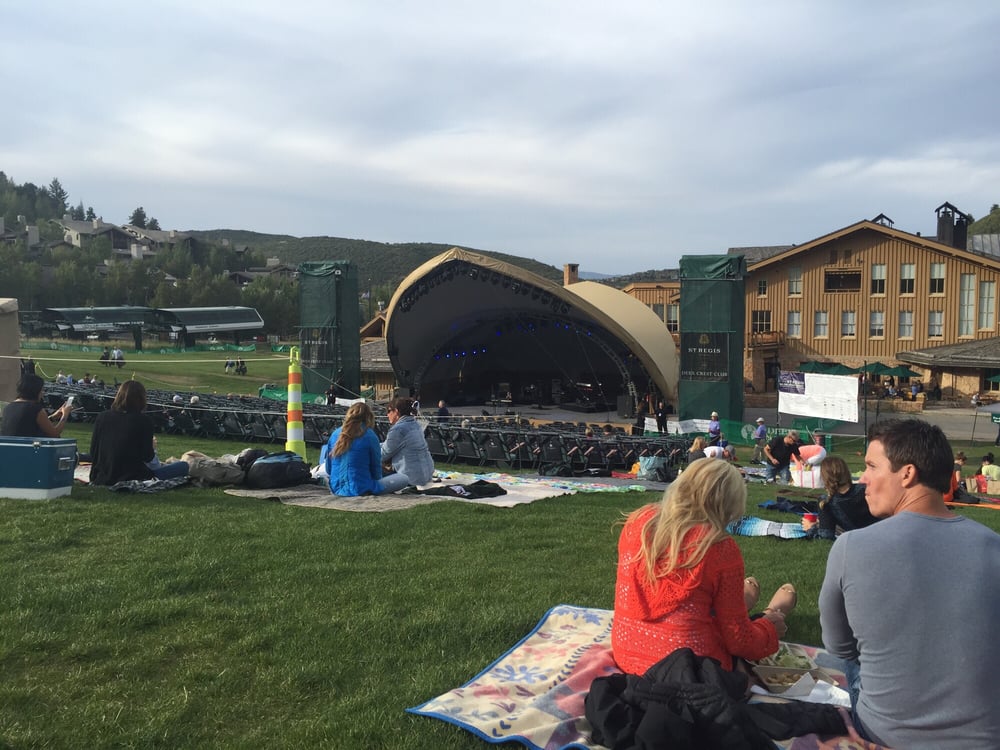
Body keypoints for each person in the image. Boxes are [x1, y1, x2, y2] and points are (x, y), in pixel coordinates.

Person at [819, 418, 1000, 748]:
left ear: (907, 473)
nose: (863, 479)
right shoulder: (994, 547)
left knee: (840, 660)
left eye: (872, 466)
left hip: (885, 735)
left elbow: (840, 648)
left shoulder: (851, 547)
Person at [611, 459, 796, 675]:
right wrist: (768, 630)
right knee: (762, 618)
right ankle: (770, 613)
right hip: (693, 669)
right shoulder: (719, 548)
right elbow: (739, 641)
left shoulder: (638, 523)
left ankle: (753, 599)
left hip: (627, 656)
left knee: (728, 601)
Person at [88, 380, 189, 485]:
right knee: (183, 466)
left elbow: (94, 450)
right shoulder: (143, 421)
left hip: (103, 475)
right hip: (133, 476)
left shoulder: (102, 417)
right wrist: (153, 448)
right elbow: (148, 458)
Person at [323, 402, 383, 496]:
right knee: (402, 478)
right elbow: (376, 471)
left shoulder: (335, 434)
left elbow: (328, 469)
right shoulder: (370, 435)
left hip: (335, 487)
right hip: (361, 488)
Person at [813, 456, 878, 540]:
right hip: (881, 531)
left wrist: (810, 529)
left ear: (824, 477)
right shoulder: (866, 489)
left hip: (859, 538)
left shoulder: (827, 502)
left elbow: (826, 535)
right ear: (846, 471)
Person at [379, 397, 434, 492]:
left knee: (368, 464)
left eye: (388, 411)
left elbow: (382, 455)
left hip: (410, 479)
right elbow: (389, 445)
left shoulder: (398, 430)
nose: (387, 415)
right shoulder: (415, 425)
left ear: (396, 411)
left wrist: (368, 450)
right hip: (425, 475)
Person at [1, 374, 72, 438]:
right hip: (29, 449)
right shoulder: (35, 409)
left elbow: (28, 424)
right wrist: (65, 415)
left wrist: (53, 417)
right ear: (36, 391)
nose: (42, 394)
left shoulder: (8, 407)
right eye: (41, 390)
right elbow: (54, 433)